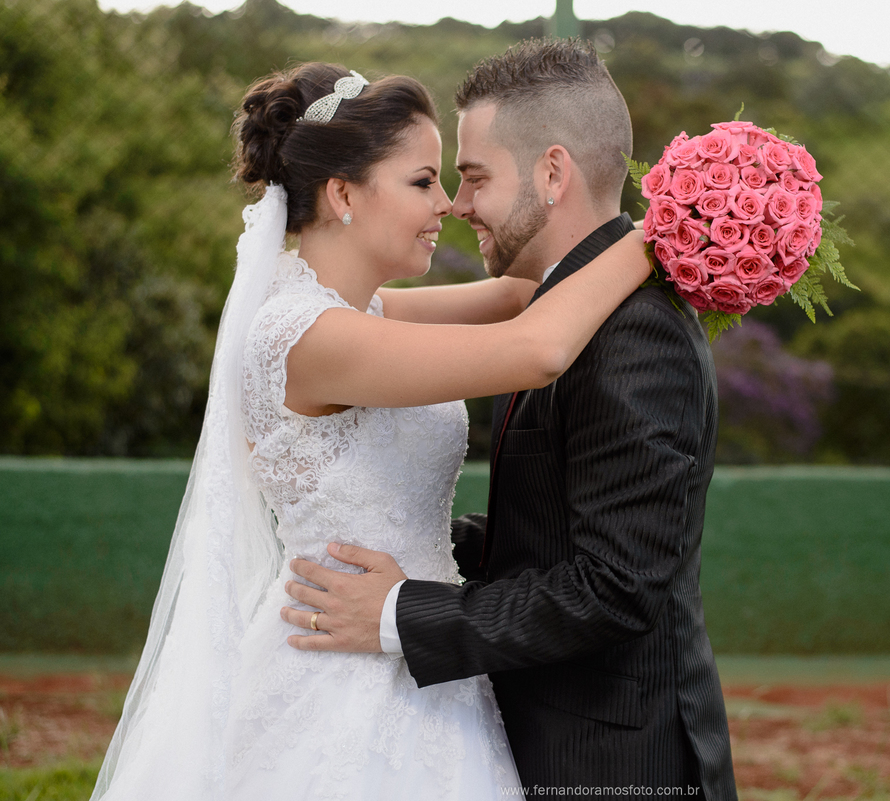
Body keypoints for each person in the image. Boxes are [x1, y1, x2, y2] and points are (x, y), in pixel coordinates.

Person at [91, 61, 650, 800]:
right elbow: (537, 347)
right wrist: (667, 233)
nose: (448, 204)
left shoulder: (364, 314)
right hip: (342, 674)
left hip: (418, 652)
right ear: (343, 193)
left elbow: (523, 292)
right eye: (423, 181)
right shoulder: (307, 337)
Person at [282, 40, 739, 800]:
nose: (456, 206)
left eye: (471, 176)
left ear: (552, 173)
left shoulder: (634, 333)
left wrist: (403, 607)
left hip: (612, 766)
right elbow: (554, 519)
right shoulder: (559, 306)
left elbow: (618, 587)